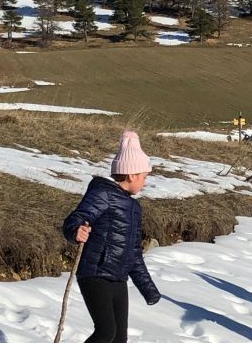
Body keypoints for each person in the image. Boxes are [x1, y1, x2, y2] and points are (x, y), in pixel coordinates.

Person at [62, 131, 163, 343]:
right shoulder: (102, 193)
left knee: (119, 338)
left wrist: (149, 290)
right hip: (95, 274)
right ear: (132, 174)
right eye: (144, 177)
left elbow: (134, 254)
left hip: (118, 278)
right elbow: (77, 218)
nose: (145, 182)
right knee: (105, 331)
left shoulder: (134, 208)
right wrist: (76, 231)